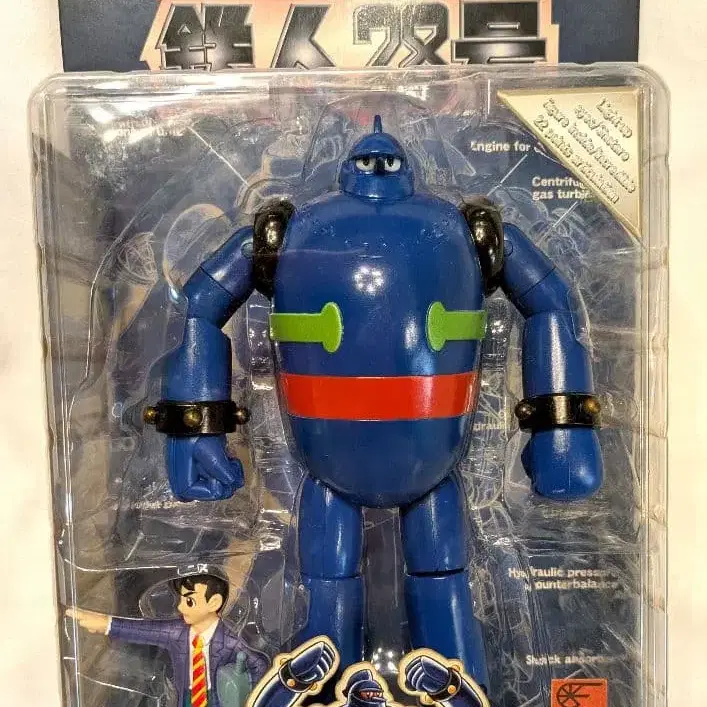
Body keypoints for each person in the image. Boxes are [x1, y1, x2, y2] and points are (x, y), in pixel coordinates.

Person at [67, 573, 269, 707]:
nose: (180, 607)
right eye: (181, 599)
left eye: (189, 601)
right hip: (186, 699)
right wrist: (105, 624)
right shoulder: (177, 633)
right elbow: (143, 630)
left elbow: (259, 664)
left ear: (214, 602)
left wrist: (250, 697)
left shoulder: (230, 640)